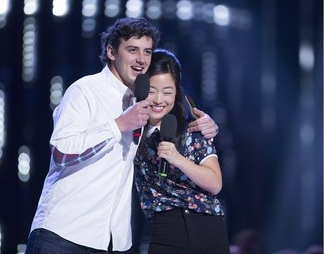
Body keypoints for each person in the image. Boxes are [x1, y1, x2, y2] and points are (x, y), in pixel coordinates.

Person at [25, 17, 219, 254]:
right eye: (132, 50)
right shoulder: (85, 90)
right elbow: (62, 152)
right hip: (64, 233)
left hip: (110, 240)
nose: (141, 59)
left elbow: (175, 114)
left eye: (147, 52)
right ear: (111, 51)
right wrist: (118, 125)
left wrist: (207, 124)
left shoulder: (142, 102)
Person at [134, 49, 230, 254]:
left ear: (177, 93)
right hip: (165, 227)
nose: (159, 100)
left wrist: (177, 159)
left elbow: (215, 184)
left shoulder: (193, 129)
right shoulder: (132, 130)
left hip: (208, 225)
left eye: (167, 92)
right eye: (151, 91)